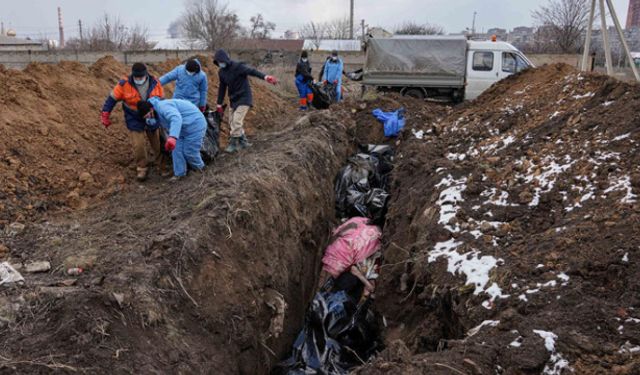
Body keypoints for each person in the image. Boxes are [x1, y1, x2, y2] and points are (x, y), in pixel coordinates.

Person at [101, 63, 165, 181]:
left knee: (157, 142)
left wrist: (157, 114)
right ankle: (142, 168)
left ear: (146, 75)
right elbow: (111, 99)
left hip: (151, 114)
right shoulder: (124, 84)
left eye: (141, 77)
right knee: (138, 144)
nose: (139, 80)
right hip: (134, 116)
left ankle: (161, 165)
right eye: (136, 78)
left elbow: (161, 100)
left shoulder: (155, 82)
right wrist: (105, 113)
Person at [213, 49, 278, 153]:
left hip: (244, 97)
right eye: (218, 62)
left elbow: (252, 71)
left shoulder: (238, 67)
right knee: (231, 122)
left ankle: (233, 144)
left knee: (236, 121)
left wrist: (265, 77)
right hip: (233, 99)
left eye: (221, 61)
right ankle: (243, 141)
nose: (220, 63)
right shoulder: (221, 72)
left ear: (226, 59)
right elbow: (222, 88)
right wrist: (219, 104)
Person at [137, 97, 207, 180]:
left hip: (195, 124)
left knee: (189, 151)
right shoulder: (156, 113)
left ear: (151, 109)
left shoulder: (163, 107)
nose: (148, 118)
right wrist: (170, 138)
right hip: (182, 128)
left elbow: (176, 118)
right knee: (176, 150)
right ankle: (180, 174)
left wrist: (173, 137)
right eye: (146, 118)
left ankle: (201, 169)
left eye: (148, 115)